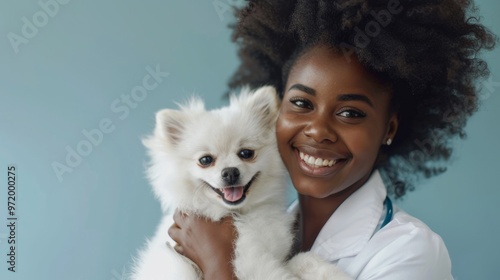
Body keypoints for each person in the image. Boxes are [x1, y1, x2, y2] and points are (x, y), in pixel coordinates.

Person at [168, 0, 496, 279]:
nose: (318, 130)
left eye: (350, 113)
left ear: (389, 129)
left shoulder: (412, 253)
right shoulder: (270, 226)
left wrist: (219, 267)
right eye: (301, 104)